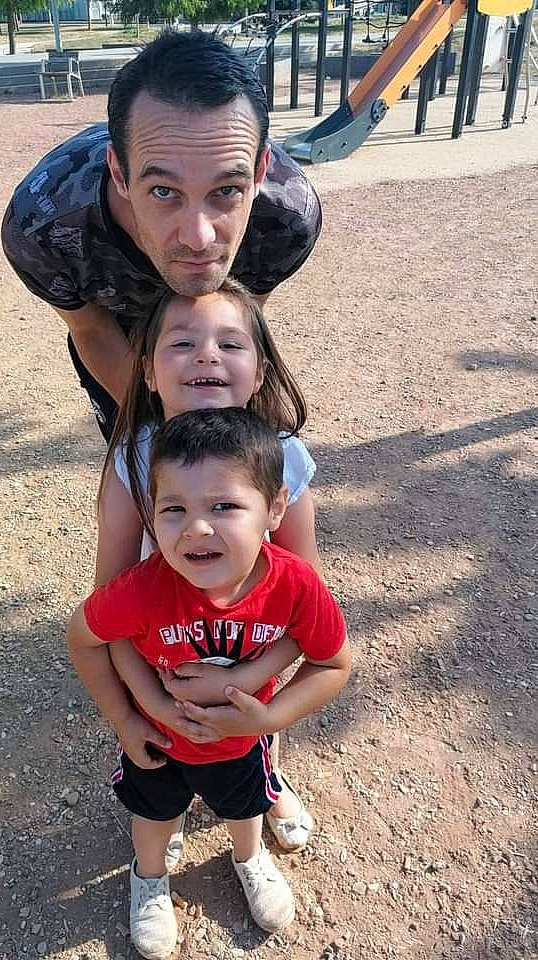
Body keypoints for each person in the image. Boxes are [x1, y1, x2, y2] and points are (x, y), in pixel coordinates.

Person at [67, 407, 351, 960]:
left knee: (245, 811)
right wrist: (132, 715)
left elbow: (334, 663)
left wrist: (268, 719)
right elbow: (87, 635)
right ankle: (148, 880)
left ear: (273, 508)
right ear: (151, 516)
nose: (196, 527)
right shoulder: (142, 589)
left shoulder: (295, 586)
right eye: (174, 509)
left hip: (244, 742)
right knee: (151, 817)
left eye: (223, 506)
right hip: (158, 741)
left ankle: (249, 860)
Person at [1, 29, 321, 443]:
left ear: (259, 173)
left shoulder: (287, 218)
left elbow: (233, 316)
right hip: (115, 323)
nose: (199, 237)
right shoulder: (41, 227)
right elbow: (92, 330)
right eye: (164, 192)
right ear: (119, 173)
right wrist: (158, 433)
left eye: (226, 191)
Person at [93, 280, 320, 856]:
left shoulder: (284, 456)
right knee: (163, 752)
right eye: (182, 343)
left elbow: (302, 599)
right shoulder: (131, 460)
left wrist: (244, 683)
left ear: (261, 370)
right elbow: (109, 605)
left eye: (230, 343)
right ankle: (163, 814)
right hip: (164, 645)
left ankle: (268, 775)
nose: (207, 355)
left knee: (251, 726)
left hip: (254, 646)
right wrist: (147, 705)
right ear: (146, 371)